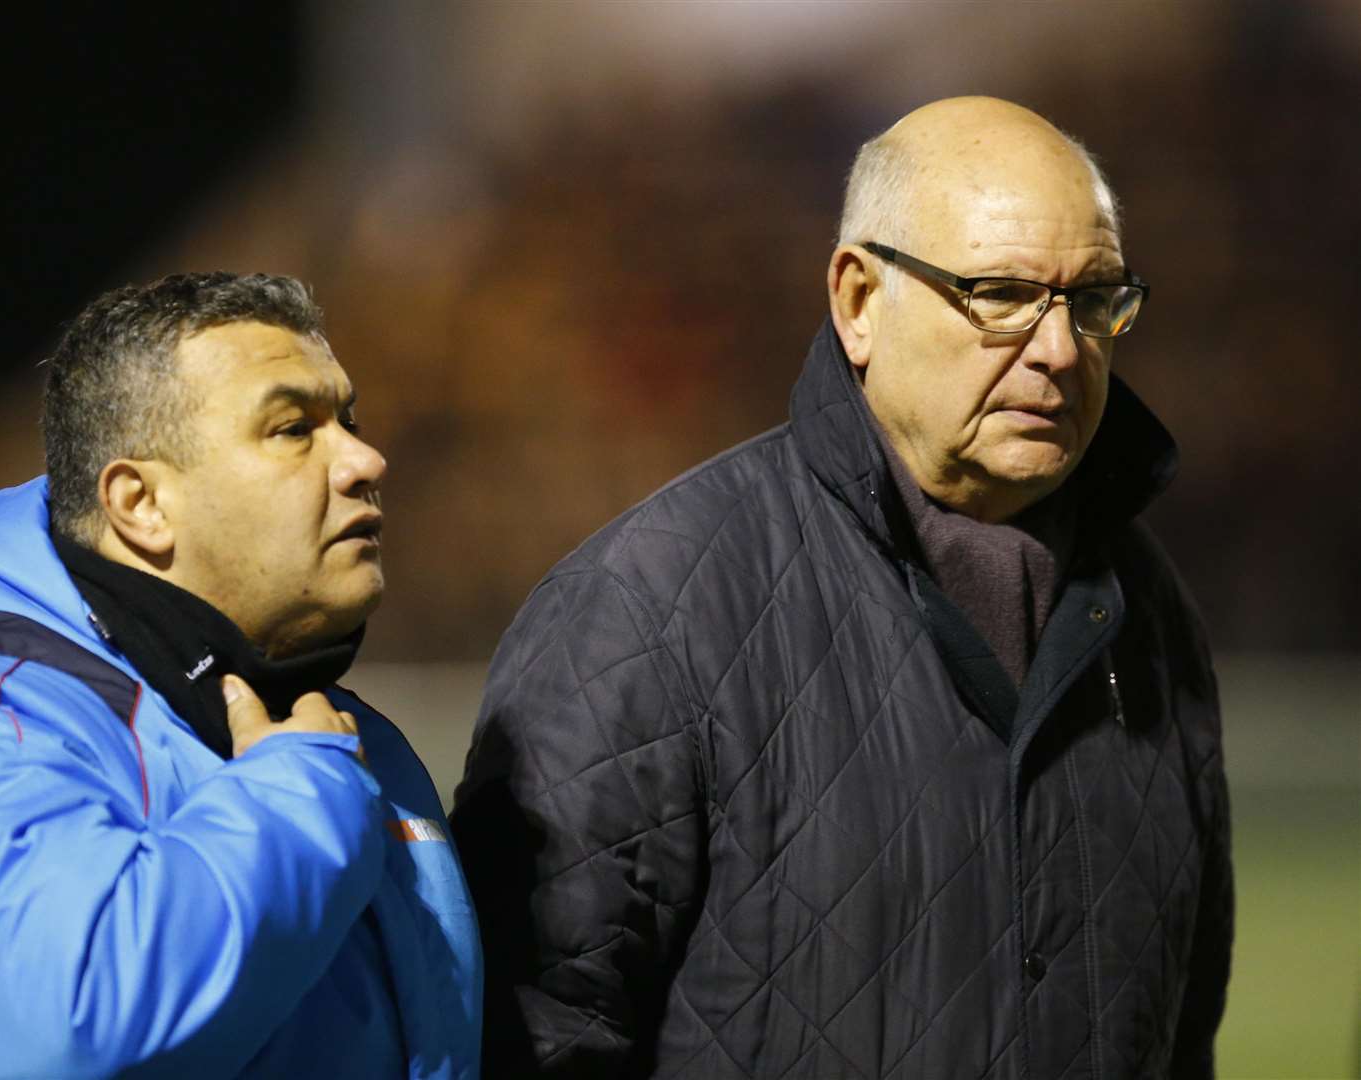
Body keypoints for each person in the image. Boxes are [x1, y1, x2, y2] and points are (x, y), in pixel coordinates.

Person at [452, 97, 1231, 1079]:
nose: (1060, 352)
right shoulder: (643, 612)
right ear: (858, 301)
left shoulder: (1151, 622)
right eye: (997, 293)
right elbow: (526, 1042)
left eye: (1091, 301)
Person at [0, 273, 482, 1079]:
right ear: (140, 503)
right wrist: (299, 794)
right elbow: (73, 1030)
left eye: (347, 420)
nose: (364, 459)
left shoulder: (343, 738)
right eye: (293, 429)